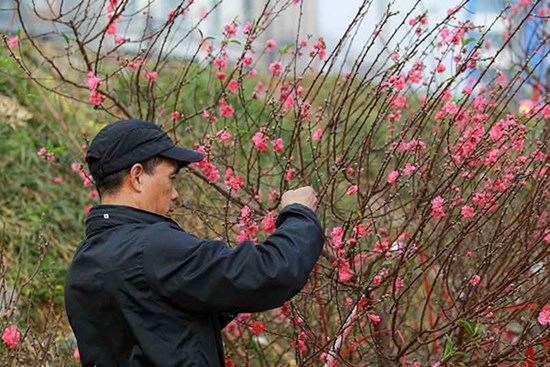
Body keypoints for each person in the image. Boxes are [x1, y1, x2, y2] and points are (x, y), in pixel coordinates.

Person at [64, 119, 325, 367]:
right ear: (137, 176)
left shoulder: (85, 262)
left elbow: (160, 328)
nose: (176, 195)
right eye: (171, 178)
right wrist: (298, 214)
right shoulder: (153, 247)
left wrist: (220, 287)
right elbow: (269, 273)